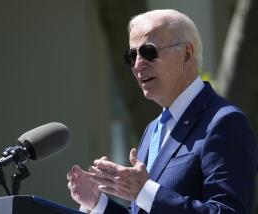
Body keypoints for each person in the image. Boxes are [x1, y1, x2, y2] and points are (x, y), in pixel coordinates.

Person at [67, 9, 257, 214]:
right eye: (132, 55)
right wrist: (98, 204)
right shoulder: (154, 129)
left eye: (149, 52)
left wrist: (145, 191)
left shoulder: (225, 122)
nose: (138, 65)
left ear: (187, 54)